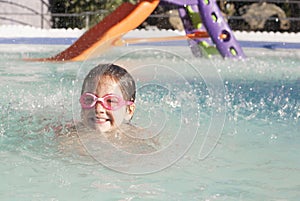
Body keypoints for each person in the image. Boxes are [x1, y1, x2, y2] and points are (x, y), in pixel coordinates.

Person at [56, 63, 158, 155]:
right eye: (89, 99)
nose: (98, 108)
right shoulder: (67, 136)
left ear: (129, 110)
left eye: (111, 101)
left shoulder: (140, 140)